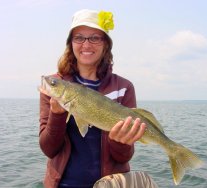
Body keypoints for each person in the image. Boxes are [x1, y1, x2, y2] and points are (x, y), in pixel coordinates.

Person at [39, 9, 147, 188]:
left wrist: (119, 141)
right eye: (79, 37)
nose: (86, 44)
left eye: (95, 37)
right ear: (70, 43)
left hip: (112, 184)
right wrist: (57, 114)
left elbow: (124, 157)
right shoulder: (54, 86)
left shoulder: (124, 88)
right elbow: (48, 149)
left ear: (106, 44)